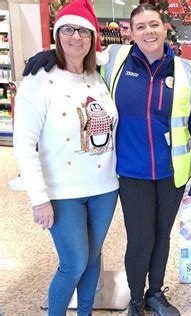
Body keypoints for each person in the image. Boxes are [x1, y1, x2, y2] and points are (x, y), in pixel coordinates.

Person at [23, 3, 191, 316]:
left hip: (171, 173)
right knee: (140, 239)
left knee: (162, 237)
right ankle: (136, 299)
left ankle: (156, 293)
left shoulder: (184, 70)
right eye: (140, 27)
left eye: (154, 25)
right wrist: (46, 57)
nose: (148, 31)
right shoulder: (116, 60)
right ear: (130, 33)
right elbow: (74, 50)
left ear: (164, 28)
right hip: (130, 171)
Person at [13, 0, 119, 315]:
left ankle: (85, 313)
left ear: (92, 37)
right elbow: (24, 142)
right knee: (73, 263)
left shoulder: (98, 75)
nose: (76, 37)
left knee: (92, 258)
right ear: (58, 34)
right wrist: (39, 198)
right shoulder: (39, 79)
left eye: (83, 30)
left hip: (104, 188)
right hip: (62, 191)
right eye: (68, 29)